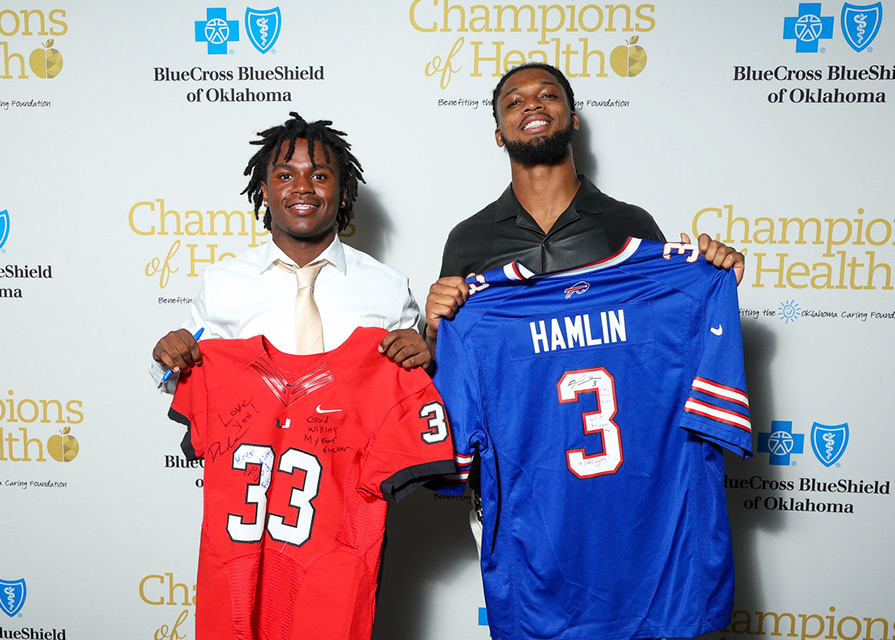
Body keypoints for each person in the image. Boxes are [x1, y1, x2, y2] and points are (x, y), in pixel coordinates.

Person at [424, 62, 745, 547]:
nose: (532, 105)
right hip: (525, 487)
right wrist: (433, 327)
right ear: (498, 134)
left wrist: (710, 282)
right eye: (514, 101)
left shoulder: (630, 225)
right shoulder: (468, 239)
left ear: (573, 118)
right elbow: (450, 369)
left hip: (633, 483)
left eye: (547, 95)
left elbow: (659, 351)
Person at [151, 112, 431, 389]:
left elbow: (411, 393)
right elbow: (182, 382)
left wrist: (427, 360)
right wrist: (169, 359)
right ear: (264, 192)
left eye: (319, 176)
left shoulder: (389, 287)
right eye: (285, 176)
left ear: (344, 193)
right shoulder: (222, 283)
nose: (302, 187)